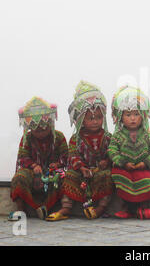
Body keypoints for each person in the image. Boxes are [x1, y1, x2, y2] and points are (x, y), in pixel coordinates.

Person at [46, 81, 113, 221]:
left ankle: (100, 208)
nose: (95, 121)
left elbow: (112, 153)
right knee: (69, 176)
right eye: (90, 118)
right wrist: (82, 168)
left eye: (99, 117)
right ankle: (65, 209)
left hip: (99, 171)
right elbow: (73, 156)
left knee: (107, 176)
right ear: (80, 120)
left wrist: (106, 162)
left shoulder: (107, 137)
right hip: (81, 172)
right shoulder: (75, 139)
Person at [108, 86, 150, 219]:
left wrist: (145, 163)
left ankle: (144, 206)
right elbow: (112, 150)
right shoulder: (117, 135)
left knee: (145, 180)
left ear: (143, 116)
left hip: (142, 167)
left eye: (136, 114)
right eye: (128, 115)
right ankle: (127, 208)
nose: (133, 118)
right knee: (122, 179)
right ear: (120, 117)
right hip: (124, 168)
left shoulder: (147, 135)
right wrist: (123, 163)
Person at [9, 97, 68, 221]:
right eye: (36, 129)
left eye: (43, 128)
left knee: (62, 178)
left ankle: (47, 208)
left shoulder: (59, 137)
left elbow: (66, 157)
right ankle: (21, 209)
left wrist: (57, 164)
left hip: (53, 172)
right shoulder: (27, 138)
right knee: (20, 177)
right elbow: (23, 157)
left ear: (50, 124)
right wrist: (34, 166)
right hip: (32, 171)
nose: (40, 132)